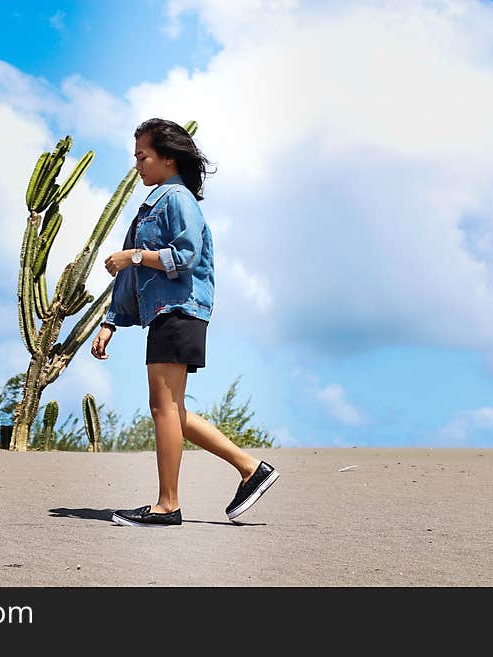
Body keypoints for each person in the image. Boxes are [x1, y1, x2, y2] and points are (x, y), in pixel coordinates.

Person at [90, 118, 280, 527]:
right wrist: (111, 322)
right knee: (170, 408)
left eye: (143, 156)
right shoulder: (151, 206)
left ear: (168, 158)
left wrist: (133, 256)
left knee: (164, 407)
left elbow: (185, 255)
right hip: (168, 313)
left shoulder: (177, 199)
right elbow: (132, 279)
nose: (137, 164)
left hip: (180, 310)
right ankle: (250, 469)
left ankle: (167, 505)